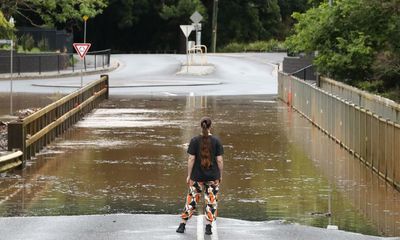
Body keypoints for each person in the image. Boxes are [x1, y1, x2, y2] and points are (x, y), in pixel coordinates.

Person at [176, 116, 224, 235]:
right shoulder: (216, 141)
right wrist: (220, 175)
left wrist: (189, 175)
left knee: (191, 200)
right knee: (211, 202)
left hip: (197, 177)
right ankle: (208, 227)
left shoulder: (194, 140)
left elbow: (191, 159)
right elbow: (220, 160)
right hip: (213, 177)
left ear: (201, 126)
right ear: (210, 126)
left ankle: (182, 225)